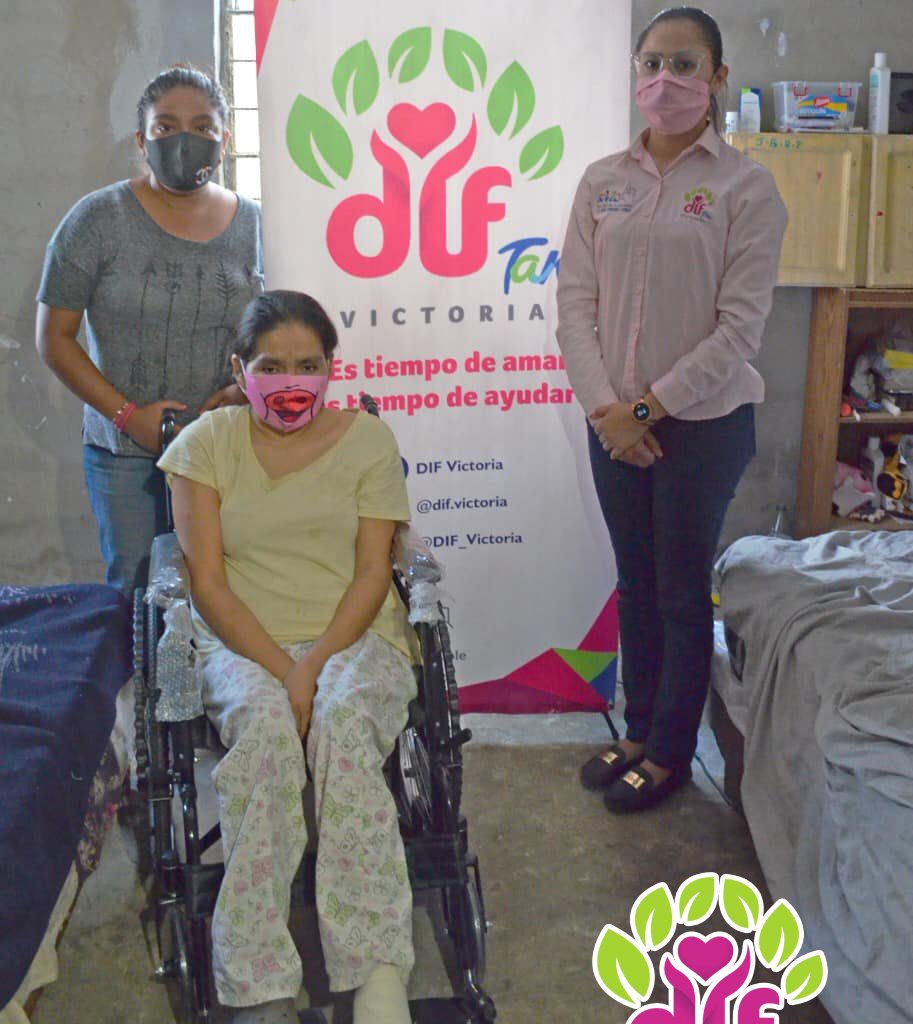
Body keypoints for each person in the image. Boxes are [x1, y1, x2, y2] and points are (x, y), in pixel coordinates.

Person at [157, 291, 416, 1024]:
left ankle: (376, 972)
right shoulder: (206, 444)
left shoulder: (368, 441)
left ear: (331, 368)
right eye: (271, 366)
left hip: (355, 635)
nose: (290, 380)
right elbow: (208, 584)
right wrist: (281, 668)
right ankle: (260, 984)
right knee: (267, 735)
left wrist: (312, 666)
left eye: (307, 364)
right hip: (239, 638)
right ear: (240, 369)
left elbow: (373, 573)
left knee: (343, 725)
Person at [557, 6, 787, 813]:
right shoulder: (602, 181)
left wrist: (645, 411)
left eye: (684, 64)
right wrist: (607, 411)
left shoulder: (745, 188)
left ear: (716, 77)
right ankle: (636, 730)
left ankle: (669, 753)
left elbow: (740, 328)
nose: (664, 80)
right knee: (634, 583)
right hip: (611, 423)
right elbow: (574, 305)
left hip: (704, 425)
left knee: (680, 591)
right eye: (650, 63)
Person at [36, 65, 263, 595]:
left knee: (228, 588)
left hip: (226, 449)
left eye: (202, 127)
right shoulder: (97, 219)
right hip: (125, 456)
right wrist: (128, 417)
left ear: (225, 139)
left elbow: (275, 334)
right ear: (142, 140)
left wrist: (244, 390)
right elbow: (54, 338)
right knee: (138, 593)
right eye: (166, 127)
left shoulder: (255, 225)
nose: (185, 140)